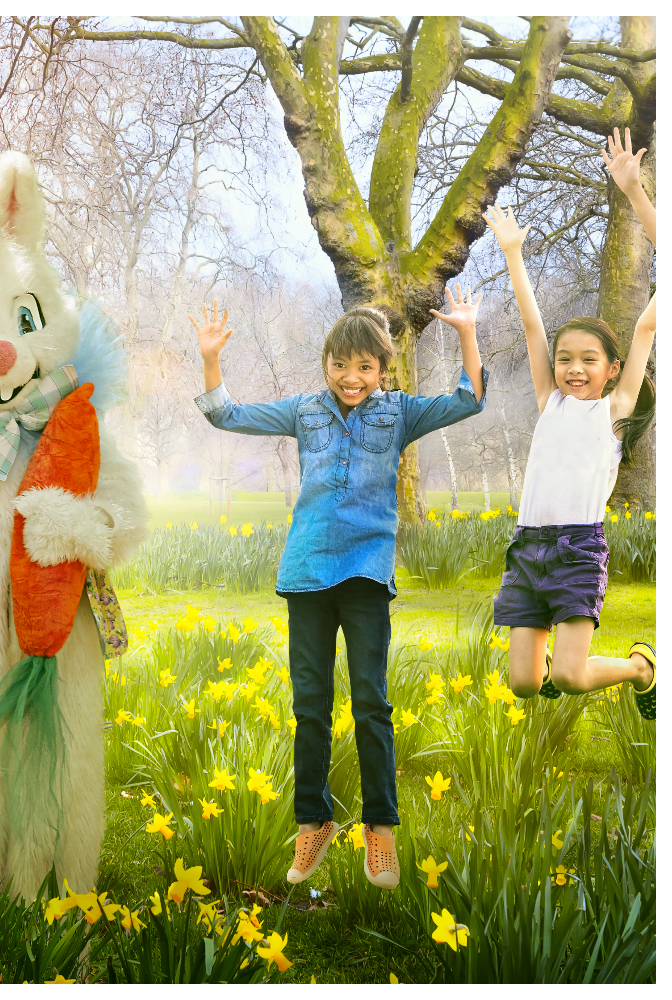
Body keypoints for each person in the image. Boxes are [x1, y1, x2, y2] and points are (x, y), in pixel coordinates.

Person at [191, 293, 487, 889]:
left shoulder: (399, 413)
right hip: (306, 572)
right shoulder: (304, 411)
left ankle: (380, 829)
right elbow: (225, 415)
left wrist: (466, 334)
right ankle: (315, 821)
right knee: (310, 707)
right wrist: (211, 358)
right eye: (340, 365)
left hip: (366, 574)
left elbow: (470, 399)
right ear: (326, 362)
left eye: (365, 368)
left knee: (372, 703)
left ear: (382, 371)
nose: (351, 378)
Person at [484, 132, 656, 721]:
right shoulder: (549, 402)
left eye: (588, 360)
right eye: (566, 359)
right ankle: (592, 668)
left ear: (611, 371)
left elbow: (645, 330)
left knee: (572, 675)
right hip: (527, 548)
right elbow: (534, 329)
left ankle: (641, 668)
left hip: (579, 549)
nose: (573, 368)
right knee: (527, 684)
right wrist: (512, 252)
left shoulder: (613, 409)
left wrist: (633, 191)